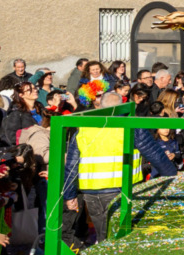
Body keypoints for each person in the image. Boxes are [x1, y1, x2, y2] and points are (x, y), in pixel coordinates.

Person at [61, 92, 144, 245]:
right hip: (122, 189)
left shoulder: (84, 129)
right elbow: (153, 153)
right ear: (121, 106)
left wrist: (69, 195)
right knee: (123, 236)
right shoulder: (129, 126)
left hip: (93, 193)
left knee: (102, 235)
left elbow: (71, 166)